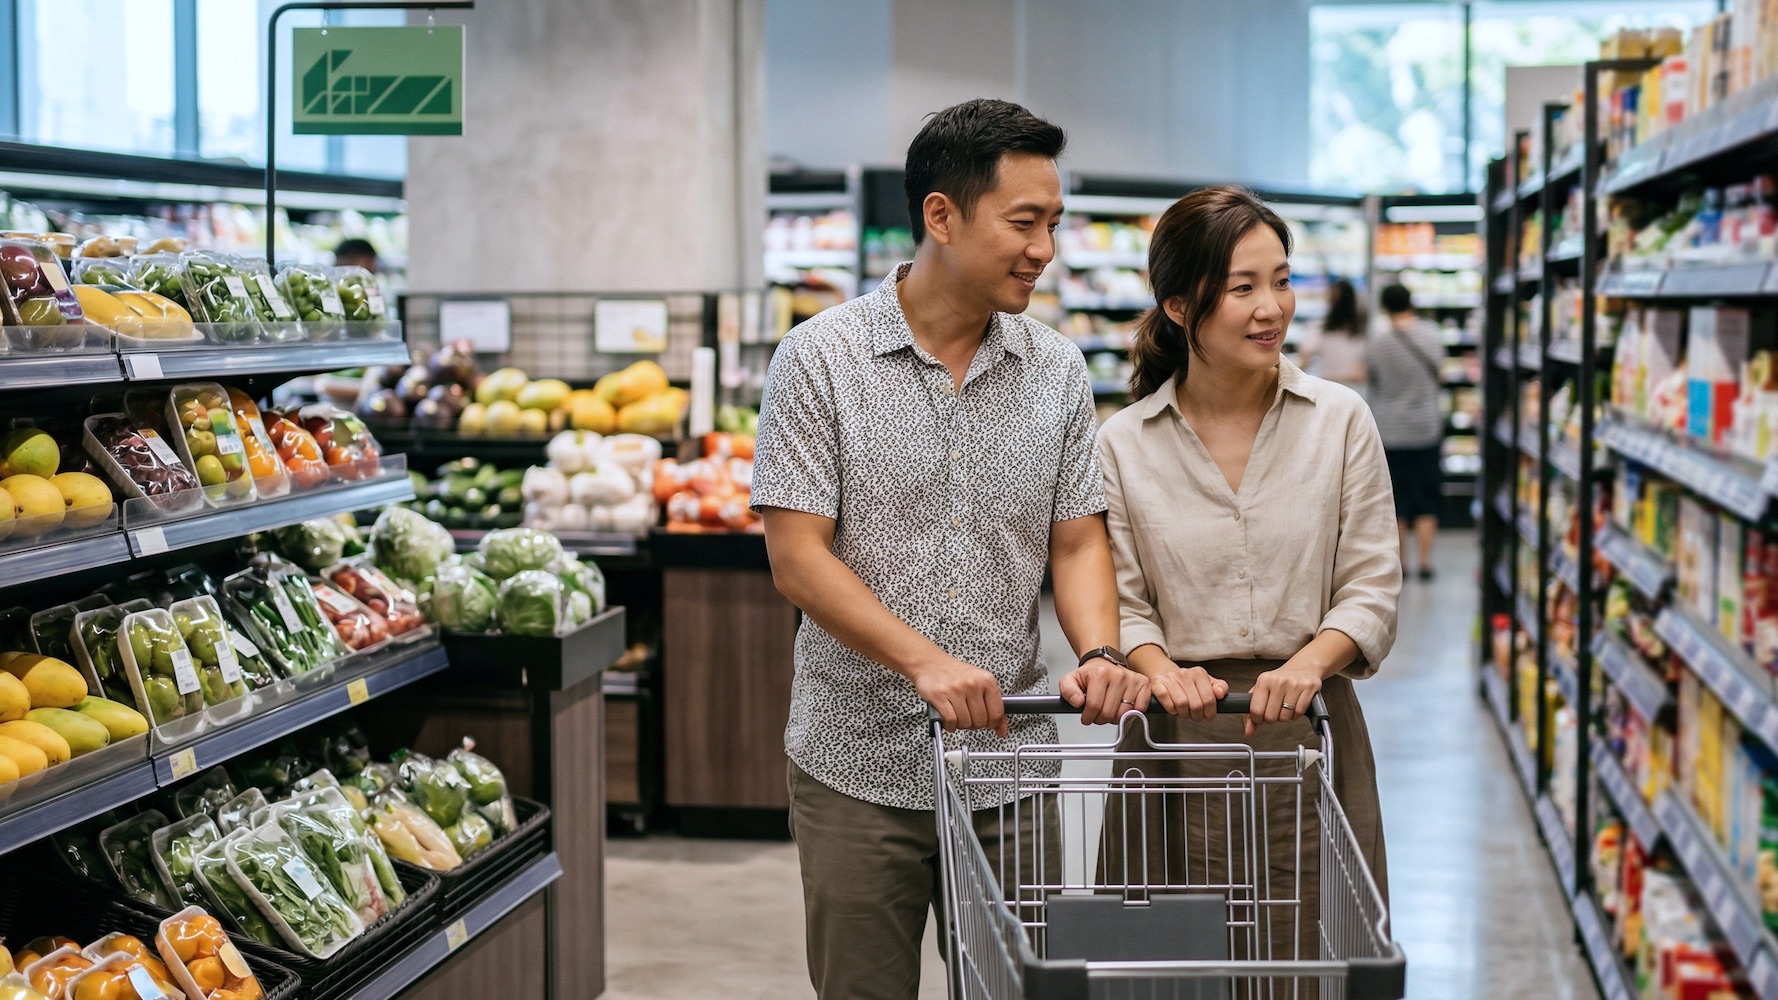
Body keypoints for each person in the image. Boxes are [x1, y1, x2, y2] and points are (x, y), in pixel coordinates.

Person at [750, 98, 1150, 1000]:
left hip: (1010, 760)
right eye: (1023, 222)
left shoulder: (1056, 368)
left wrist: (1096, 651)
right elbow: (798, 558)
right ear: (941, 215)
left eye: (1053, 223)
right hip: (855, 762)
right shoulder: (819, 360)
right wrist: (925, 663)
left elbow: (1078, 541)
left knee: (1015, 989)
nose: (1044, 247)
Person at [1096, 185, 1399, 962]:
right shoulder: (1125, 443)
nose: (1273, 307)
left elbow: (1371, 585)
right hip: (1173, 737)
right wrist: (1160, 668)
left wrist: (1308, 664)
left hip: (1310, 729)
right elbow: (1122, 602)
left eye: (1283, 280)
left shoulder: (1339, 421)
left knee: (1313, 960)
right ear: (1178, 305)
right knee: (1170, 970)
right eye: (1243, 288)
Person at [1368, 282, 1447, 580]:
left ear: (1385, 308)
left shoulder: (1378, 342)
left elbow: (1372, 377)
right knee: (1427, 496)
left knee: (1396, 498)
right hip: (1426, 426)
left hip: (1390, 429)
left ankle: (1400, 563)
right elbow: (1439, 372)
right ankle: (1425, 562)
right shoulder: (1431, 335)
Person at [1299, 277, 1366, 393]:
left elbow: (1305, 360)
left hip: (1329, 389)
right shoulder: (1363, 329)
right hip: (1357, 390)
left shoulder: (1320, 327)